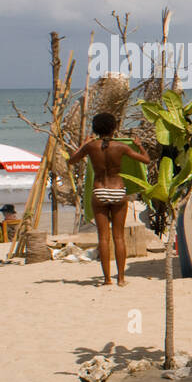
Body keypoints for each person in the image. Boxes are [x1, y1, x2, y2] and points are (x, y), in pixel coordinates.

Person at [67, 112, 151, 286]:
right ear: (114, 128)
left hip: (99, 191)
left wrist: (83, 144)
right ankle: (120, 279)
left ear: (95, 129)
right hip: (118, 191)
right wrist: (139, 146)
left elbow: (71, 161)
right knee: (118, 237)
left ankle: (107, 280)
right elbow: (146, 160)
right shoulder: (121, 147)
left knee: (103, 238)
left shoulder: (91, 147)